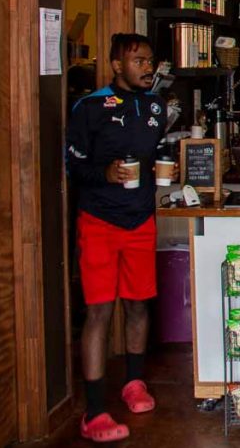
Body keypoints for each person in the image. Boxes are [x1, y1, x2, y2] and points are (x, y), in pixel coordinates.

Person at [66, 34, 169, 441]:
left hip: (140, 218)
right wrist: (105, 173)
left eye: (150, 61)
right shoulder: (89, 108)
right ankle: (94, 411)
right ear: (116, 65)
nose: (148, 67)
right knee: (99, 312)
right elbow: (73, 168)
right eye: (139, 61)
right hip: (99, 221)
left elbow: (153, 153)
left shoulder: (156, 107)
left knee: (140, 305)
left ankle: (134, 382)